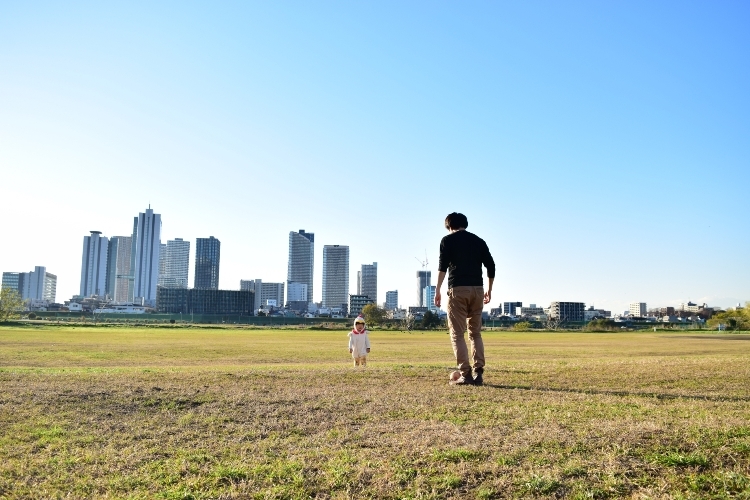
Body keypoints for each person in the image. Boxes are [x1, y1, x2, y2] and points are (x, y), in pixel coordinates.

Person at [434, 212, 495, 386]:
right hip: (478, 290)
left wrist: (437, 289)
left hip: (458, 290)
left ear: (448, 225)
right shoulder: (479, 241)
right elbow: (491, 266)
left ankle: (465, 374)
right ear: (465, 224)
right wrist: (489, 290)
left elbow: (442, 266)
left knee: (457, 334)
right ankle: (479, 373)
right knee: (475, 333)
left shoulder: (447, 241)